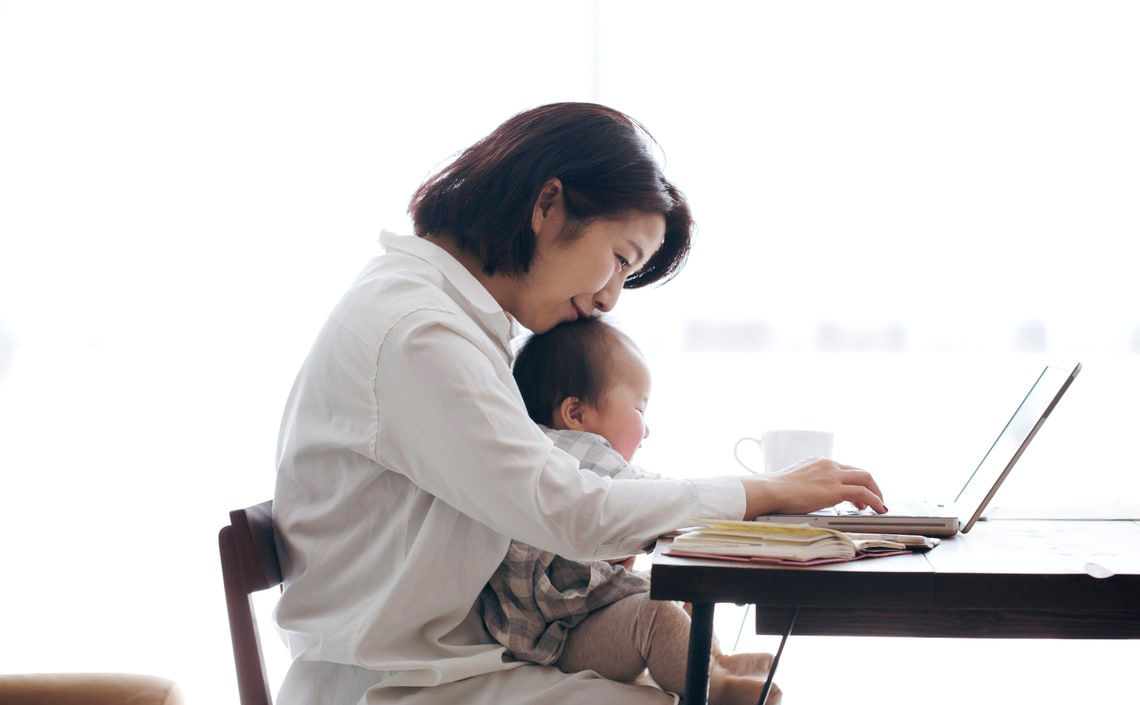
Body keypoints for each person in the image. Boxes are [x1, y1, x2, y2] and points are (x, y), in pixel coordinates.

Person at [272, 102, 886, 705]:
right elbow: (571, 511)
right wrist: (765, 491)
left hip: (445, 666)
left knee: (684, 681)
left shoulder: (437, 315)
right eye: (620, 260)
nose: (610, 299)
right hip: (389, 684)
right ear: (547, 205)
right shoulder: (419, 333)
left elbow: (566, 494)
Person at [482, 318, 781, 705]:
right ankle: (715, 689)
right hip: (561, 636)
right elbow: (652, 496)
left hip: (578, 614)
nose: (647, 430)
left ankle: (712, 661)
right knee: (656, 616)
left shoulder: (540, 450)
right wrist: (749, 500)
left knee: (679, 590)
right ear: (576, 414)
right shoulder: (571, 449)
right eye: (639, 408)